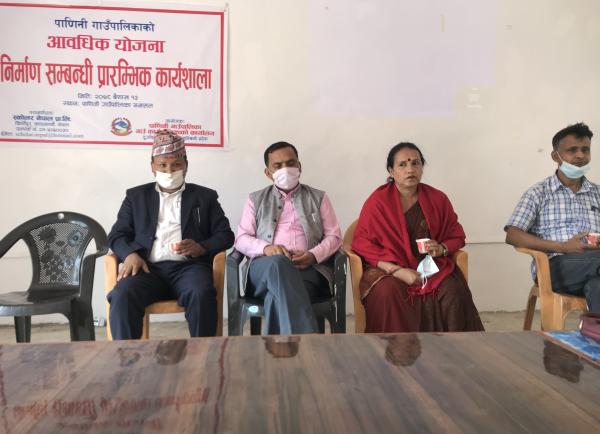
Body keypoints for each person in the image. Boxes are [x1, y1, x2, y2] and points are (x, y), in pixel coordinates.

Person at [107, 129, 234, 339]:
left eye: (176, 164)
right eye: (162, 165)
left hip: (189, 269)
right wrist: (130, 254)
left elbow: (226, 235)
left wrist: (201, 247)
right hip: (146, 269)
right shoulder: (135, 197)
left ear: (186, 166)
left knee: (201, 293)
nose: (169, 171)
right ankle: (126, 356)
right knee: (123, 293)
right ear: (152, 167)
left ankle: (204, 355)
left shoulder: (205, 197)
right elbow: (117, 235)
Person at [351, 142, 484, 333]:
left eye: (415, 163)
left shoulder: (438, 199)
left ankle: (452, 348)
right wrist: (397, 271)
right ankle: (398, 349)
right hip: (388, 268)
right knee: (387, 292)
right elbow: (361, 243)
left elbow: (456, 235)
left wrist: (441, 248)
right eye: (402, 165)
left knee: (453, 291)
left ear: (422, 167)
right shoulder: (377, 202)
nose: (410, 169)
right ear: (391, 170)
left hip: (429, 267)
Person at [234, 141, 343, 334]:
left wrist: (313, 255)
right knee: (278, 263)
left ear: (299, 166)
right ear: (268, 173)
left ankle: (279, 351)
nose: (285, 169)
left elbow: (334, 237)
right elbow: (241, 239)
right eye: (277, 166)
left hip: (308, 269)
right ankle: (308, 343)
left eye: (290, 163)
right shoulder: (255, 199)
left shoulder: (319, 197)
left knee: (274, 298)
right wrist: (266, 249)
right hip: (264, 270)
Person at [505, 122, 600, 312]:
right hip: (554, 267)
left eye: (585, 150)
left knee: (597, 286)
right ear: (556, 156)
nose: (580, 155)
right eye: (572, 150)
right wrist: (563, 247)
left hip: (594, 262)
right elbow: (513, 235)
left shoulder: (597, 193)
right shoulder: (538, 193)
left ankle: (592, 330)